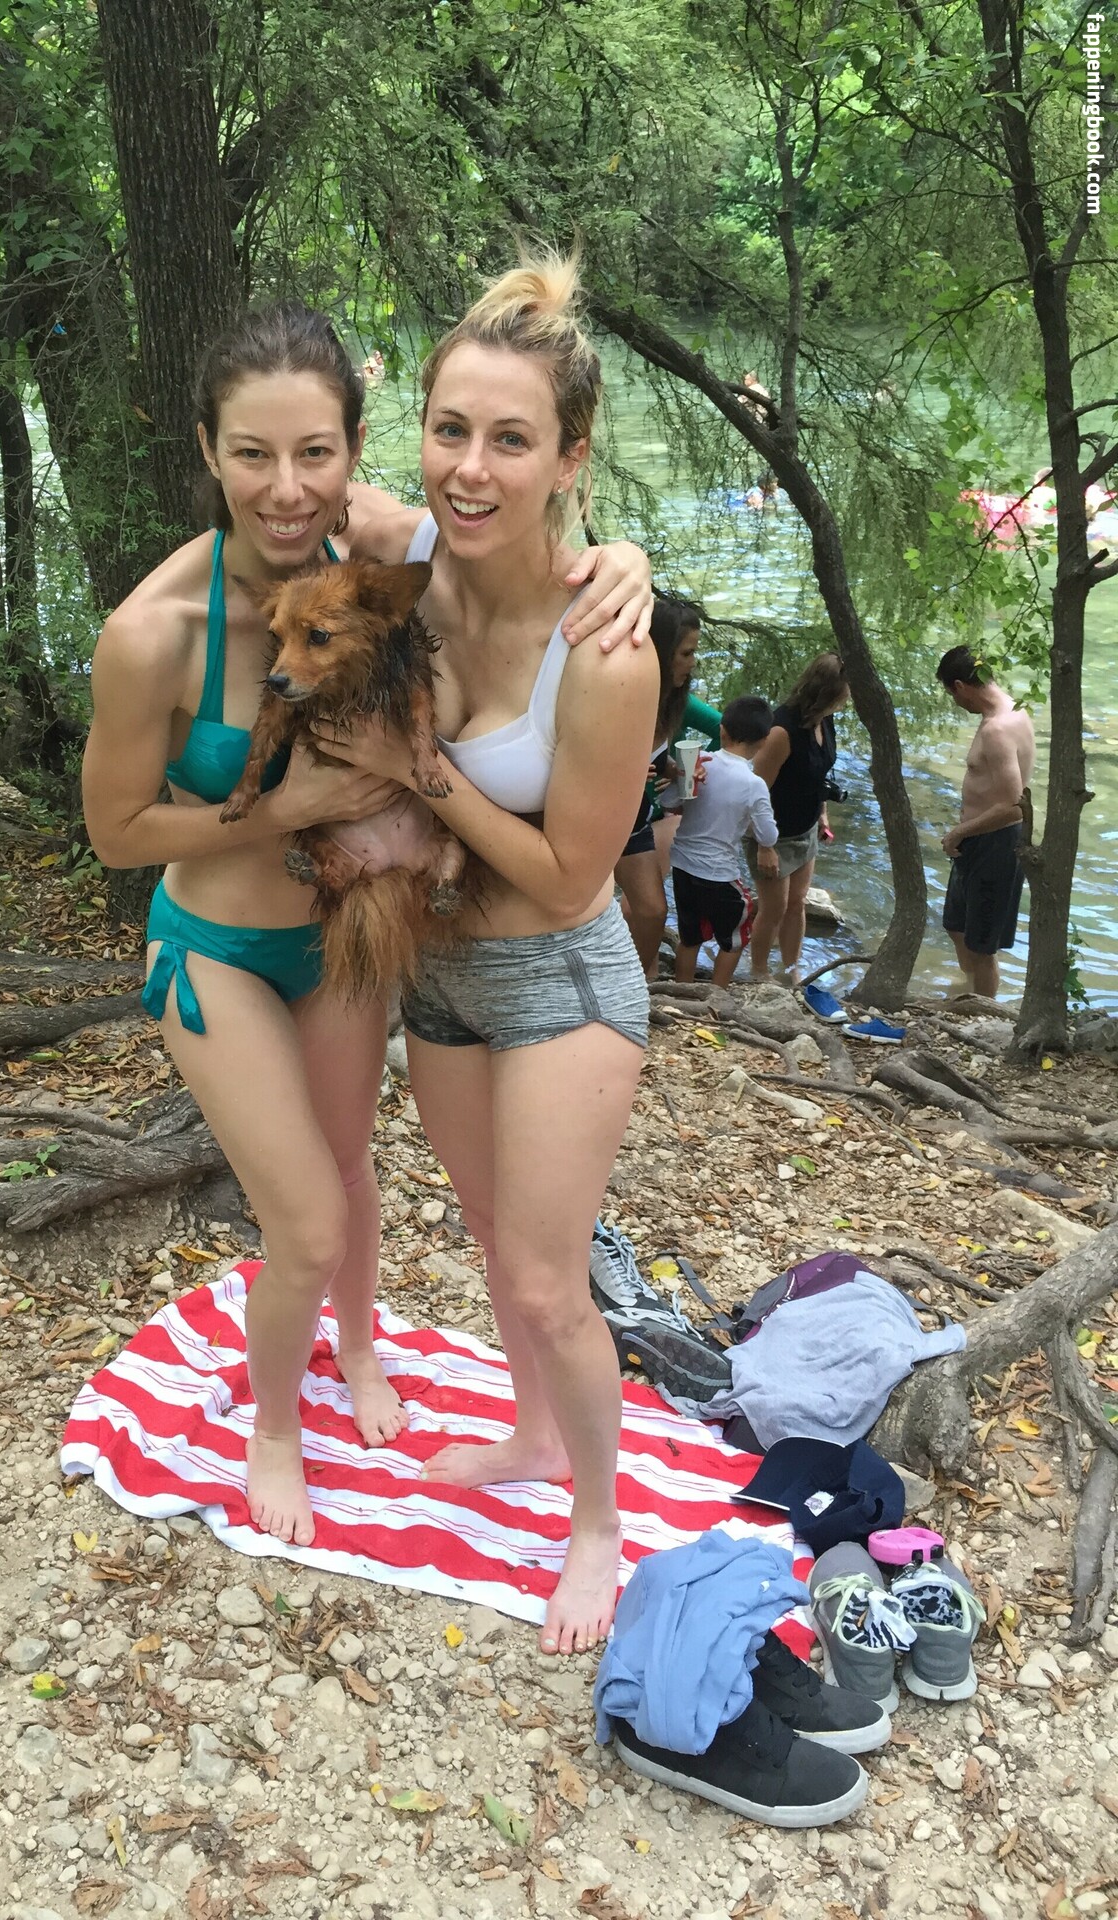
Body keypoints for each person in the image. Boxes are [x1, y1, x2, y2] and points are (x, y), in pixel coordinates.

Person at [82, 302, 656, 1551]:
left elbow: (517, 529)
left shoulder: (391, 560)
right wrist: (286, 808)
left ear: (352, 458)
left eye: (316, 454)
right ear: (207, 450)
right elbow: (116, 832)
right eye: (251, 454)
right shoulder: (158, 630)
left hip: (376, 944)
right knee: (313, 1222)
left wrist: (626, 558)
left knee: (372, 1186)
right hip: (245, 950)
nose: (286, 490)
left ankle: (371, 1363)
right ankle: (276, 1430)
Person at [311, 251, 660, 1657]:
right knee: (490, 1239)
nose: (471, 467)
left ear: (569, 459)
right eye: (450, 429)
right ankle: (531, 1434)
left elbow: (575, 877)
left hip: (562, 983)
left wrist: (425, 772)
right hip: (439, 978)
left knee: (544, 1278)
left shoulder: (607, 648)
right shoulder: (404, 555)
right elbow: (275, 482)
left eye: (511, 440)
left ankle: (599, 1523)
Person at [613, 603, 720, 974]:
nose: (693, 663)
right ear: (659, 651)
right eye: (686, 653)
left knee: (652, 910)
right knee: (584, 909)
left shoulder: (674, 702)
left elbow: (722, 728)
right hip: (595, 814)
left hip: (635, 818)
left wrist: (676, 769)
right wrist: (619, 771)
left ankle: (636, 985)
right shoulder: (618, 692)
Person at [935, 646, 1035, 999]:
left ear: (960, 686)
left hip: (995, 844)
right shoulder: (1013, 709)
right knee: (956, 926)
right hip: (976, 841)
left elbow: (1014, 806)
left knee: (981, 946)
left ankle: (982, 1011)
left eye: (952, 695)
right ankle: (968, 992)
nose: (955, 703)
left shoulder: (997, 729)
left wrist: (958, 832)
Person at [746, 652, 849, 981]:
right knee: (773, 909)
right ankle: (759, 973)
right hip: (773, 833)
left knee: (797, 903)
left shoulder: (824, 719)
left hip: (805, 826)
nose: (849, 698)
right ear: (827, 691)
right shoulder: (782, 730)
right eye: (846, 692)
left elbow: (818, 773)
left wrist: (823, 813)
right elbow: (756, 791)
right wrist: (765, 846)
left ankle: (791, 971)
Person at [670, 695, 778, 987]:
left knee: (689, 937)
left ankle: (681, 991)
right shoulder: (754, 784)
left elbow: (669, 802)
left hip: (682, 867)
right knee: (735, 940)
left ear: (722, 731)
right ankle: (717, 996)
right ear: (764, 741)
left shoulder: (700, 764)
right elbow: (768, 835)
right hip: (719, 875)